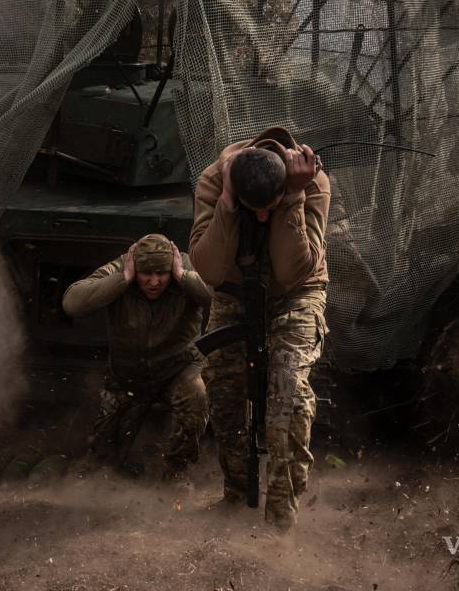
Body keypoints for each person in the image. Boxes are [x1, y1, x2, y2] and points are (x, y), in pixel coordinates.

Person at [188, 126, 330, 531]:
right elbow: (210, 268)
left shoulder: (312, 180)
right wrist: (229, 206)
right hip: (234, 290)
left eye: (270, 206)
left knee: (287, 393)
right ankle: (235, 496)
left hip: (296, 292)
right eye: (258, 209)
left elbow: (292, 271)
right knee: (224, 390)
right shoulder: (216, 181)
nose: (263, 216)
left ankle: (281, 515)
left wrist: (293, 197)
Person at [62, 234, 213, 480]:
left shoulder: (184, 265)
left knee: (197, 395)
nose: (154, 282)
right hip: (128, 378)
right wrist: (123, 279)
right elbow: (72, 303)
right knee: (101, 457)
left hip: (177, 370)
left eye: (161, 274)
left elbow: (216, 293)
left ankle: (176, 471)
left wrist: (182, 275)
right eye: (146, 274)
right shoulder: (121, 267)